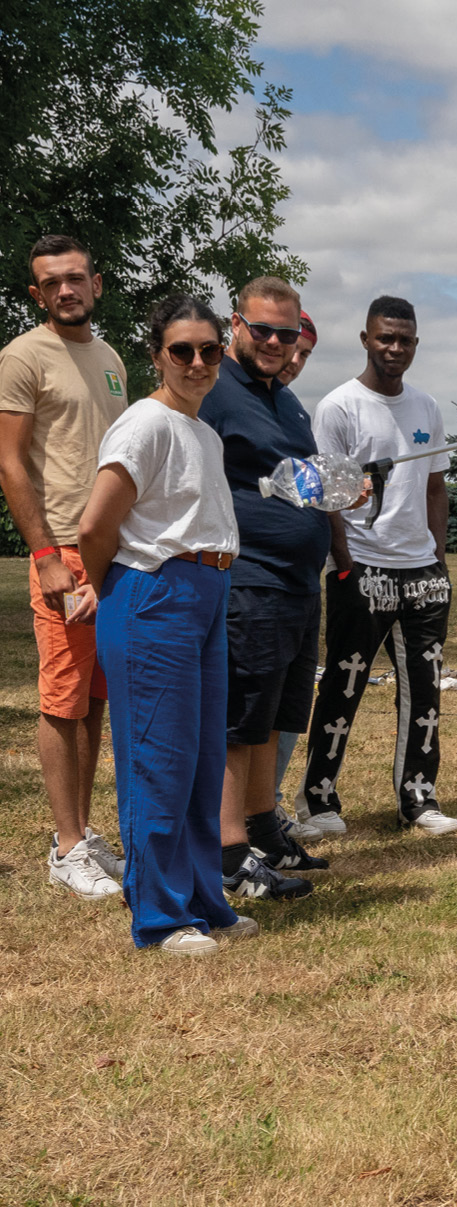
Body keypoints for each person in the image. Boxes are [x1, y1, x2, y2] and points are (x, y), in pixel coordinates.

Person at [78, 294, 256, 955]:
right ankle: (158, 917)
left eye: (210, 350)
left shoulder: (202, 432)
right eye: (182, 350)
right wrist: (109, 597)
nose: (197, 362)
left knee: (203, 759)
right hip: (154, 593)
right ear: (156, 354)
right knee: (160, 761)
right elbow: (95, 526)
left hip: (206, 592)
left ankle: (204, 902)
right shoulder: (144, 425)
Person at [297, 296, 457, 836]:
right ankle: (318, 800)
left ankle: (418, 798)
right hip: (362, 566)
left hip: (422, 572)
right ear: (366, 339)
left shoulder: (427, 407)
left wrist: (438, 554)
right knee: (344, 684)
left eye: (404, 340)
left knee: (425, 690)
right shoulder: (339, 406)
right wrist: (344, 564)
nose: (394, 348)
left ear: (415, 344)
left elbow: (436, 484)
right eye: (384, 338)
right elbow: (327, 492)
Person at [0, 235, 127, 898]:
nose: (66, 290)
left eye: (76, 278)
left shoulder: (108, 358)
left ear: (96, 283)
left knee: (96, 697)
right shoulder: (23, 357)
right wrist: (46, 556)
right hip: (64, 553)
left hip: (112, 553)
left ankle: (84, 830)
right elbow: (9, 461)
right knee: (61, 697)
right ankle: (65, 845)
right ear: (37, 293)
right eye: (52, 283)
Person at [198, 276, 331, 899]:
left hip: (299, 585)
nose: (275, 342)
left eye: (286, 332)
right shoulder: (215, 389)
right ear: (236, 325)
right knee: (240, 717)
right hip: (248, 580)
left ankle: (261, 827)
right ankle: (227, 852)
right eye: (263, 330)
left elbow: (297, 479)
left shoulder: (287, 400)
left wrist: (341, 487)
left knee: (276, 716)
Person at [271, 309, 320, 832]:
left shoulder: (294, 410)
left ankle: (267, 803)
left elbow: (304, 487)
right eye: (292, 347)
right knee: (255, 709)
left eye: (305, 353)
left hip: (300, 579)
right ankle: (239, 818)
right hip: (257, 579)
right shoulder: (230, 397)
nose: (296, 361)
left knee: (290, 704)